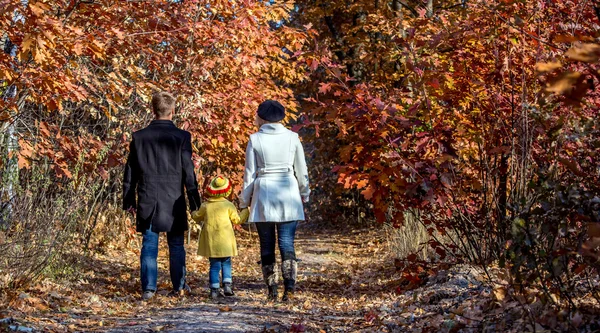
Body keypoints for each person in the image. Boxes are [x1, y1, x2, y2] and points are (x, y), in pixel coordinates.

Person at [123, 91, 201, 301]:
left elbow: (130, 172)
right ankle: (179, 286)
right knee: (176, 245)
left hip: (148, 197)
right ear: (173, 111)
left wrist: (128, 200)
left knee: (149, 245)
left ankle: (149, 289)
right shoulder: (182, 137)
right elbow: (188, 171)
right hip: (173, 199)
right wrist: (195, 202)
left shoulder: (139, 137)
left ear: (153, 110)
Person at [239, 100, 310, 302]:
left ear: (261, 117)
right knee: (287, 242)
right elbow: (301, 169)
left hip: (264, 193)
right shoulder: (293, 137)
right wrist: (304, 192)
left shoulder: (254, 139)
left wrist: (244, 201)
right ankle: (290, 288)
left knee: (267, 244)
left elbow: (249, 175)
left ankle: (272, 290)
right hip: (288, 189)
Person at [192, 176, 242, 300]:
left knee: (214, 265)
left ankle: (214, 289)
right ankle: (227, 285)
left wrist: (193, 212)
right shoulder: (229, 205)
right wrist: (246, 211)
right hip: (225, 242)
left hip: (212, 242)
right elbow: (237, 220)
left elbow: (197, 216)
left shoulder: (206, 206)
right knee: (226, 263)